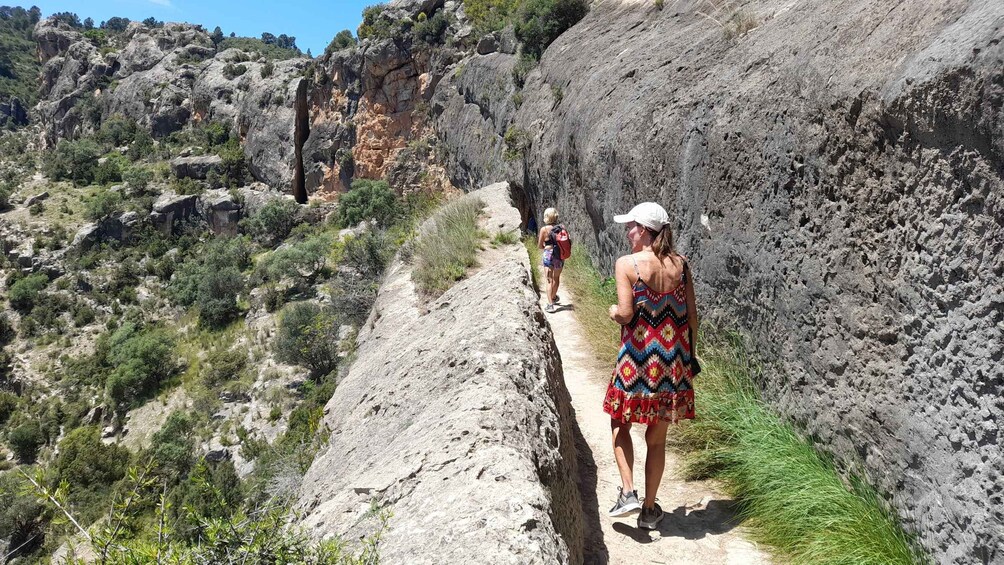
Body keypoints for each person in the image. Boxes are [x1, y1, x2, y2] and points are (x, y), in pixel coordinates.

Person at [603, 202, 699, 531]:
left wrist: (614, 311)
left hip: (637, 360)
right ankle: (648, 510)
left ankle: (628, 491)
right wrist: (690, 357)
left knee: (619, 421)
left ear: (643, 230)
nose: (626, 231)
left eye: (629, 226)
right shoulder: (682, 266)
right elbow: (691, 317)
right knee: (657, 440)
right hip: (672, 365)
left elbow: (627, 314)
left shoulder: (628, 264)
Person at [537, 207, 564, 313]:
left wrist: (546, 246)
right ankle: (553, 297)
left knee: (549, 280)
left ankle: (550, 304)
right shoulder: (561, 228)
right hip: (559, 256)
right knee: (556, 278)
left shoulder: (544, 230)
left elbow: (539, 246)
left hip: (548, 255)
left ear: (546, 217)